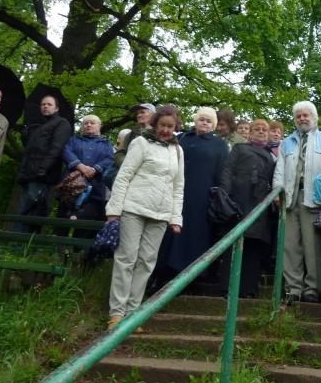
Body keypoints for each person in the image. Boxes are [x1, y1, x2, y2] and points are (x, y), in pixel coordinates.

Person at [106, 106, 184, 330]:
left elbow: (178, 186)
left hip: (160, 214)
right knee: (126, 259)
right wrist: (114, 209)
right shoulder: (141, 143)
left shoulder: (178, 150)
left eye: (170, 126)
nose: (166, 130)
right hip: (133, 208)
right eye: (162, 125)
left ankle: (133, 314)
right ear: (155, 124)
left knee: (146, 262)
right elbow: (124, 176)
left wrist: (176, 217)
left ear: (175, 127)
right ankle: (117, 313)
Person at [151, 107, 229, 287]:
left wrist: (218, 194)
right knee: (171, 233)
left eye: (209, 121)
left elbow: (222, 172)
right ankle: (163, 272)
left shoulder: (219, 145)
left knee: (196, 235)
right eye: (202, 119)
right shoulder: (182, 138)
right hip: (175, 192)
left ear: (213, 125)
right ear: (195, 120)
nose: (204, 123)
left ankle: (193, 277)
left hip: (202, 196)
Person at [273, 101, 321, 303]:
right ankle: (293, 289)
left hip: (315, 199)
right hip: (290, 199)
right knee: (290, 245)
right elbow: (279, 170)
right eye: (298, 116)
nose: (302, 118)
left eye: (306, 115)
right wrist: (277, 192)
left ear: (314, 117)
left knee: (313, 247)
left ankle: (312, 289)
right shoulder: (287, 142)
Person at [217, 119, 276, 297]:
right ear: (250, 133)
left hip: (260, 201)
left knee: (254, 246)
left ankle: (248, 289)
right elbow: (228, 170)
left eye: (264, 129)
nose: (261, 131)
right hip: (239, 199)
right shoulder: (239, 148)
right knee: (234, 242)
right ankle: (228, 287)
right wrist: (226, 194)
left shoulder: (272, 156)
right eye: (257, 129)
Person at [14, 95, 72, 232]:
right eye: (43, 104)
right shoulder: (38, 126)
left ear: (56, 108)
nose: (45, 106)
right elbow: (31, 149)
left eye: (49, 104)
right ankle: (16, 240)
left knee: (35, 209)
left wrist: (43, 169)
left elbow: (56, 148)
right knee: (24, 208)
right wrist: (25, 135)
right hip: (28, 173)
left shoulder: (62, 123)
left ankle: (26, 241)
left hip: (43, 175)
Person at [58, 115, 115, 232]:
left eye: (92, 123)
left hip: (95, 185)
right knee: (63, 217)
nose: (88, 125)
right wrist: (80, 166)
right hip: (71, 185)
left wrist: (95, 169)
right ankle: (58, 242)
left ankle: (79, 243)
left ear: (99, 126)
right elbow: (66, 152)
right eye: (85, 123)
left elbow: (110, 158)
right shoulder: (73, 140)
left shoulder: (106, 144)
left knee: (87, 220)